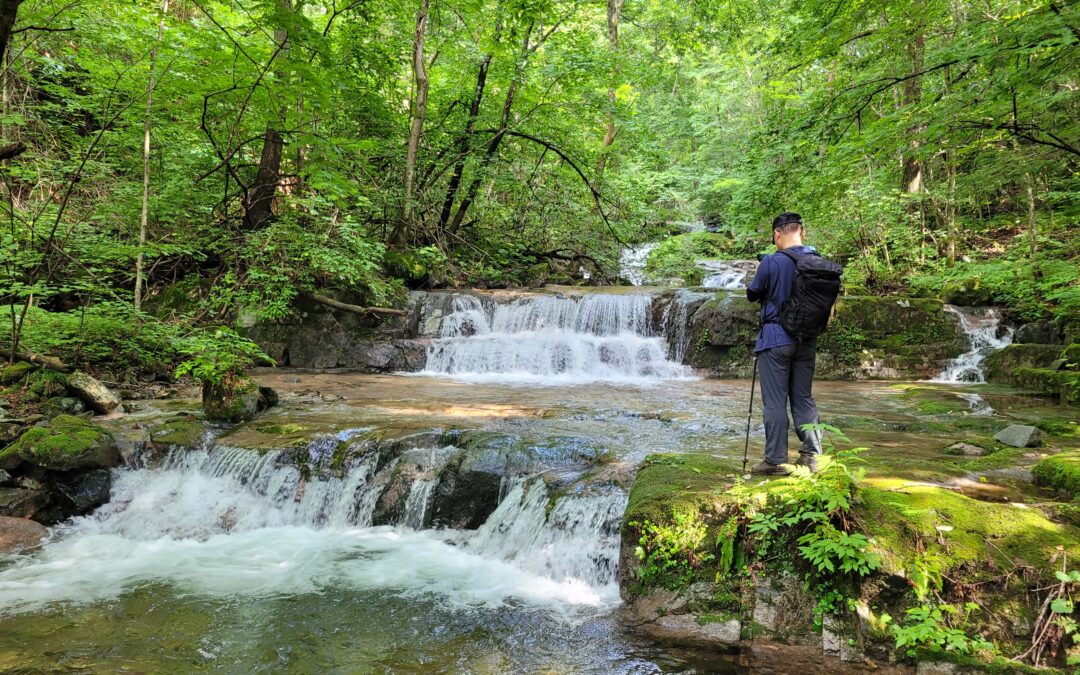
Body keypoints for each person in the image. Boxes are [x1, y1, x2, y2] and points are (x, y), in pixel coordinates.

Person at [745, 212, 824, 475]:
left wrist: (760, 270)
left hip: (776, 340)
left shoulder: (770, 262)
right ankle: (813, 456)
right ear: (802, 232)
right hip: (807, 339)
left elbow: (752, 294)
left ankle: (775, 461)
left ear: (777, 234)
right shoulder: (817, 261)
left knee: (775, 402)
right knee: (803, 398)